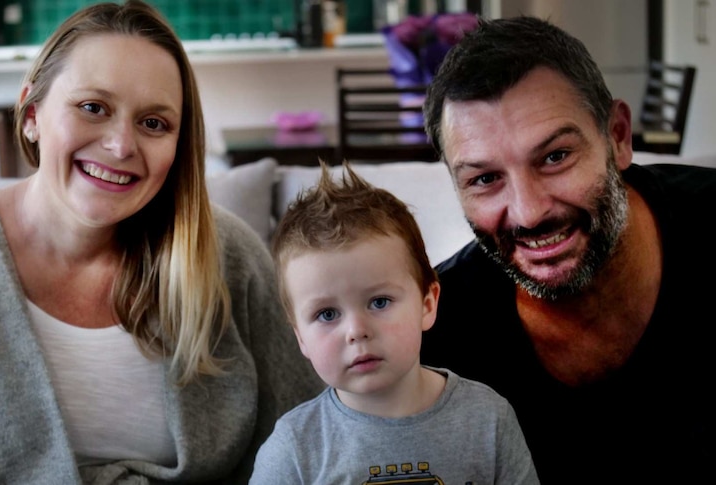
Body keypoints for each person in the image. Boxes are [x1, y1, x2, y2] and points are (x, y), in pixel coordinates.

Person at [0, 1, 323, 483]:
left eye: (154, 123)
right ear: (31, 112)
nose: (121, 145)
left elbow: (317, 440)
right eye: (92, 108)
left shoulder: (229, 258)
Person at [421, 15, 716, 484]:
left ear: (617, 137)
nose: (529, 213)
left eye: (555, 156)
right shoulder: (433, 342)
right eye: (485, 179)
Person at [251, 161, 538, 484]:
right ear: (300, 337)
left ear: (427, 305)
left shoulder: (488, 419)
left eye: (379, 302)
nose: (357, 331)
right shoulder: (294, 449)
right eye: (327, 314)